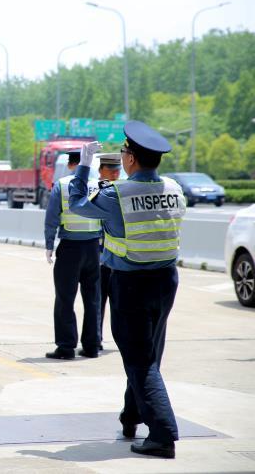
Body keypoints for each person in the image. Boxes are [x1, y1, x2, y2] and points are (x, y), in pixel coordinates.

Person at [69, 122, 186, 459]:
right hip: (166, 280)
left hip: (131, 284)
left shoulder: (117, 195)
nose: (121, 158)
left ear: (131, 159)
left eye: (123, 154)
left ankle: (163, 435)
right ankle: (131, 417)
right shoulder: (174, 188)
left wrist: (86, 165)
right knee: (147, 354)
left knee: (139, 360)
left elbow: (77, 202)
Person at [44, 150, 103, 360]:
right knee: (93, 299)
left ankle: (67, 347)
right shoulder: (99, 185)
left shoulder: (61, 185)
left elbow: (52, 218)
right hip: (94, 249)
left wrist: (49, 244)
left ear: (71, 164)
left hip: (70, 249)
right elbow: (106, 217)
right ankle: (92, 345)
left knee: (65, 300)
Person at [96, 153, 122, 352]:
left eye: (117, 170)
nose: (114, 174)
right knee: (97, 300)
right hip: (97, 255)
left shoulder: (123, 192)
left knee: (119, 303)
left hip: (116, 257)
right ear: (100, 170)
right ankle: (95, 338)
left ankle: (121, 338)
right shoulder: (93, 191)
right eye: (110, 170)